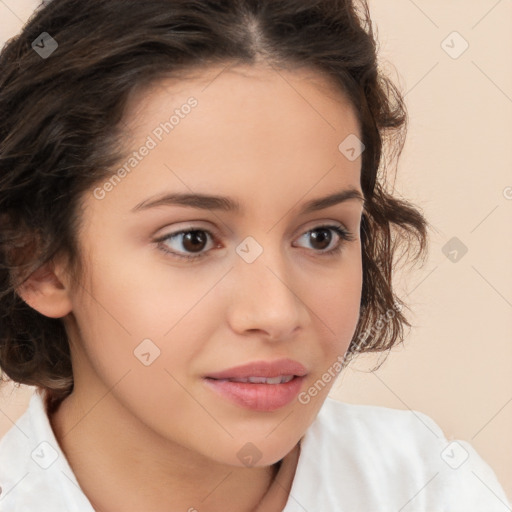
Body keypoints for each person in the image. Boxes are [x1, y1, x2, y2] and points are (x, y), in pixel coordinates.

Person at [0, 0, 509, 511]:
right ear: (39, 261)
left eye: (321, 236)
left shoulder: (431, 488)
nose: (277, 313)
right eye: (192, 240)